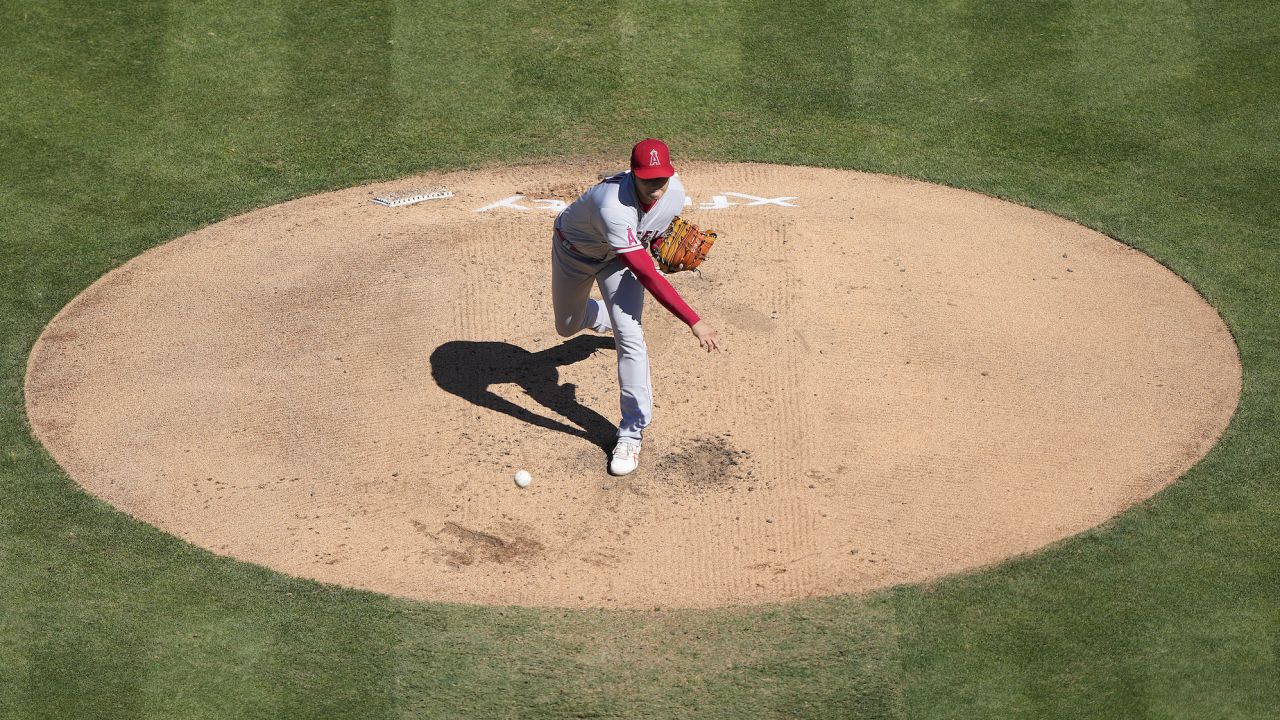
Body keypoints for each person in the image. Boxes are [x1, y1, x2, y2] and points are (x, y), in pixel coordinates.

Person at [551, 138, 721, 476]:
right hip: (575, 255)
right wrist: (694, 321)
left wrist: (656, 240)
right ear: (633, 174)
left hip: (619, 261)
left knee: (631, 338)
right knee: (567, 326)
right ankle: (602, 316)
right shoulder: (611, 205)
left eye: (662, 179)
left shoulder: (674, 193)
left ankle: (631, 433)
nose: (656, 189)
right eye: (648, 180)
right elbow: (647, 274)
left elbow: (649, 240)